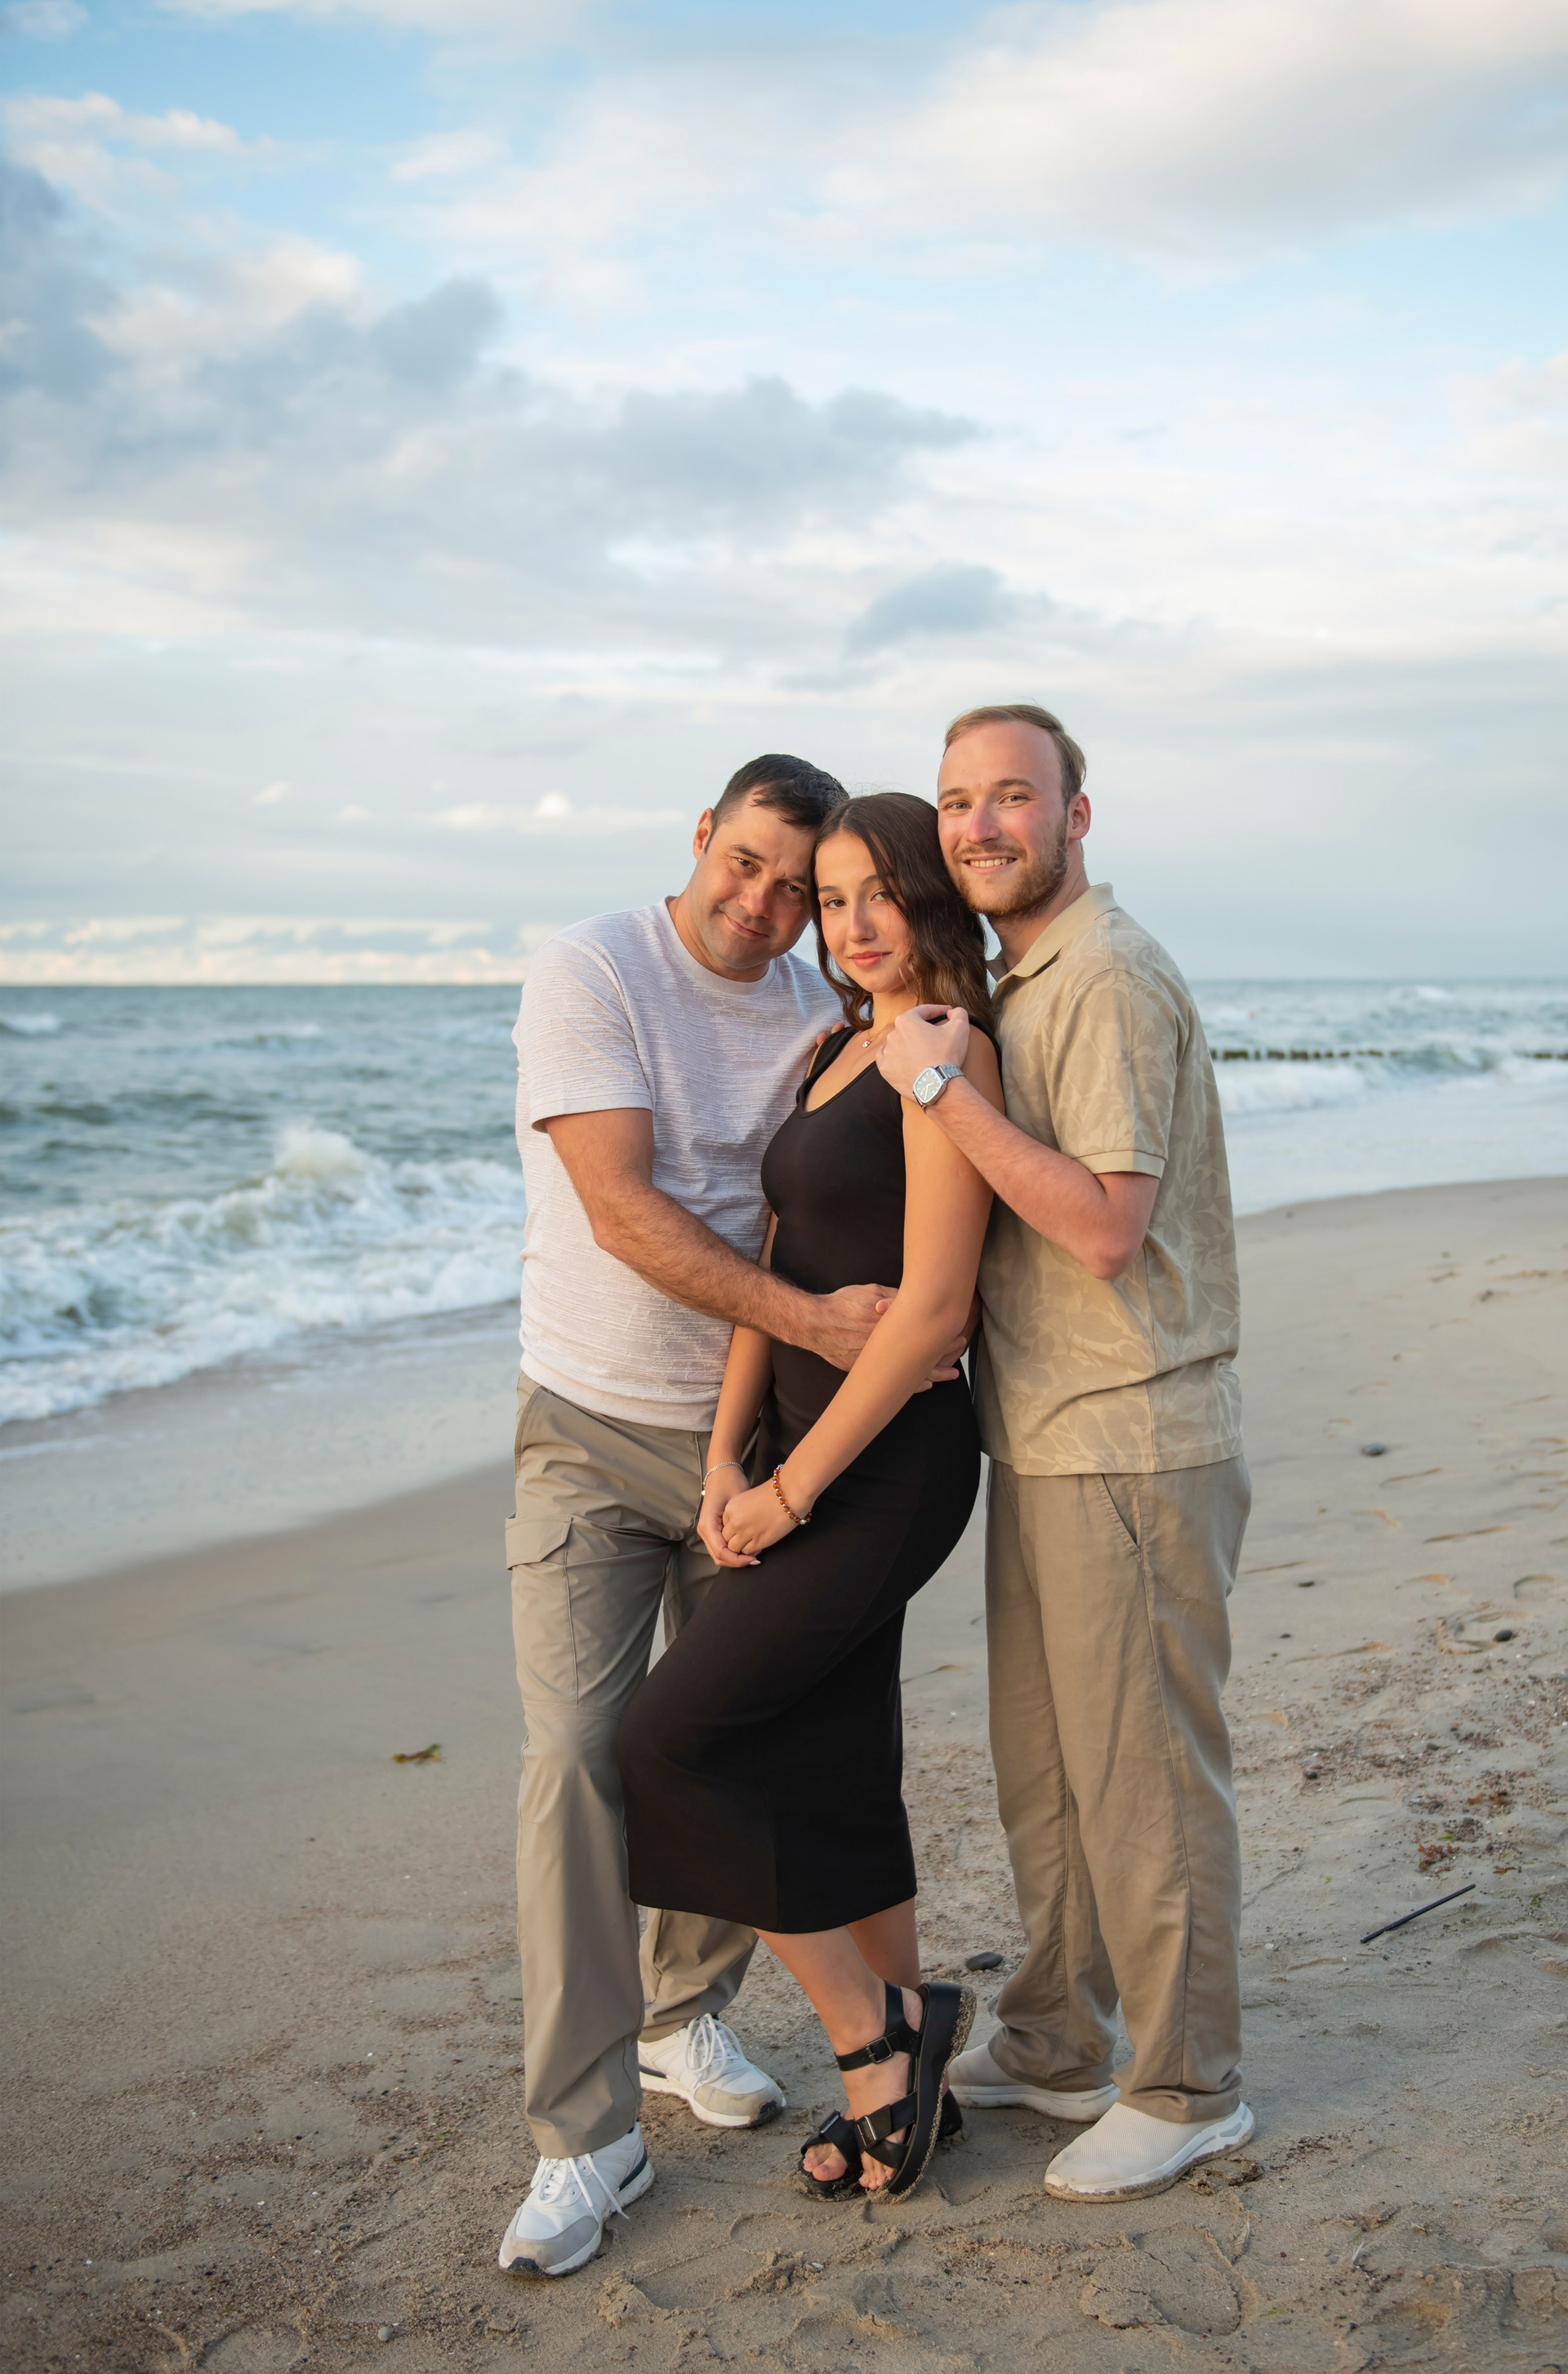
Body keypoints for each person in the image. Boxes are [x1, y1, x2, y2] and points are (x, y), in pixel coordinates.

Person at [497, 755, 964, 2280]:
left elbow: (855, 1216)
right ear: (701, 836)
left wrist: (785, 1434)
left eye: (806, 887)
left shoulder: (835, 1013)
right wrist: (820, 1333)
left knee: (765, 1742)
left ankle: (687, 2014)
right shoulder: (593, 969)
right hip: (593, 1426)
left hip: (772, 1443)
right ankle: (585, 2136)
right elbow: (622, 1206)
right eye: (752, 866)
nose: (771, 906)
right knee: (585, 1760)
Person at [876, 703, 1254, 2203]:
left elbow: (1103, 1228)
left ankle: (1187, 2085)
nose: (978, 826)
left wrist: (936, 1088)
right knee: (1050, 1775)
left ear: (1075, 816)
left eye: (1012, 796)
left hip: (1133, 1437)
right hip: (1044, 1436)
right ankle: (1055, 2036)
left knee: (1145, 1780)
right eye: (958, 800)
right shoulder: (1025, 978)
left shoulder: (1102, 976)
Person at [617, 793, 1005, 2204]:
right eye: (831, 899)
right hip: (788, 1450)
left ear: (929, 897)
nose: (849, 923)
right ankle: (908, 2086)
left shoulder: (948, 1051)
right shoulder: (836, 1048)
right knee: (836, 1761)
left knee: (665, 1744)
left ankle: (877, 2034)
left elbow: (933, 1312)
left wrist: (788, 1496)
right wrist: (729, 1460)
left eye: (875, 892)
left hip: (885, 1466)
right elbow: (774, 1268)